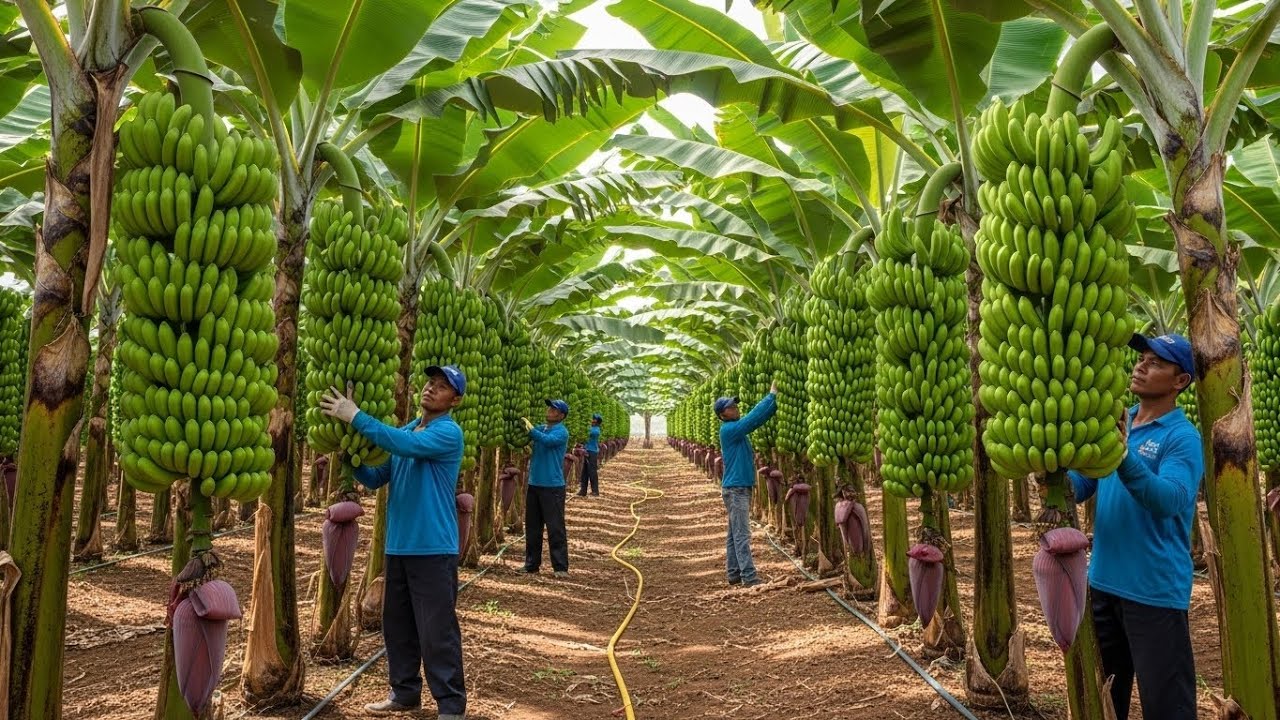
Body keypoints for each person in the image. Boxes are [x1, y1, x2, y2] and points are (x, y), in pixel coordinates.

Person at [319, 365, 469, 719]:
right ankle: (404, 693)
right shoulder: (406, 429)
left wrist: (356, 416)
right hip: (399, 546)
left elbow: (404, 445)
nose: (431, 389)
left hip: (433, 548)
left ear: (455, 400)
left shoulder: (448, 432)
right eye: (430, 382)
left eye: (442, 387)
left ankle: (450, 705)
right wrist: (348, 456)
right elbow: (376, 477)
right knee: (397, 625)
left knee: (436, 629)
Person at [1070, 333, 1203, 720]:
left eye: (1156, 363)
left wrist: (1123, 454)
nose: (1141, 366)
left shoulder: (1182, 437)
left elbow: (1169, 499)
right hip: (1102, 588)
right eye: (1141, 358)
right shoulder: (1117, 419)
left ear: (1180, 382)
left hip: (1154, 595)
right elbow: (1083, 485)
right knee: (1109, 701)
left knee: (1166, 708)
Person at [716, 383, 778, 587]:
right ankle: (749, 577)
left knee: (734, 534)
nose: (736, 409)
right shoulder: (729, 430)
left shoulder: (735, 429)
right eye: (731, 407)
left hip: (737, 488)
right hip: (736, 490)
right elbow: (751, 421)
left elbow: (755, 420)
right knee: (742, 534)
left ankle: (733, 573)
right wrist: (771, 396)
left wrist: (774, 406)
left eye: (735, 406)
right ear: (722, 415)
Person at [518, 399, 571, 577]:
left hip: (553, 486)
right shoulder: (542, 428)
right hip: (534, 483)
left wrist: (531, 430)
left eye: (554, 409)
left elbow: (546, 441)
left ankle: (560, 567)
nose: (549, 410)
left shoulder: (561, 432)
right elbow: (533, 434)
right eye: (549, 407)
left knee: (555, 527)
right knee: (533, 526)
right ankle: (531, 564)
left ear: (561, 415)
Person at [577, 413, 602, 497]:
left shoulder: (595, 430)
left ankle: (595, 491)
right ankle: (583, 491)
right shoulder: (592, 428)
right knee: (585, 472)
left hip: (592, 452)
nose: (591, 420)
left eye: (593, 419)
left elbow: (586, 432)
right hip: (587, 451)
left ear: (596, 421)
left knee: (592, 472)